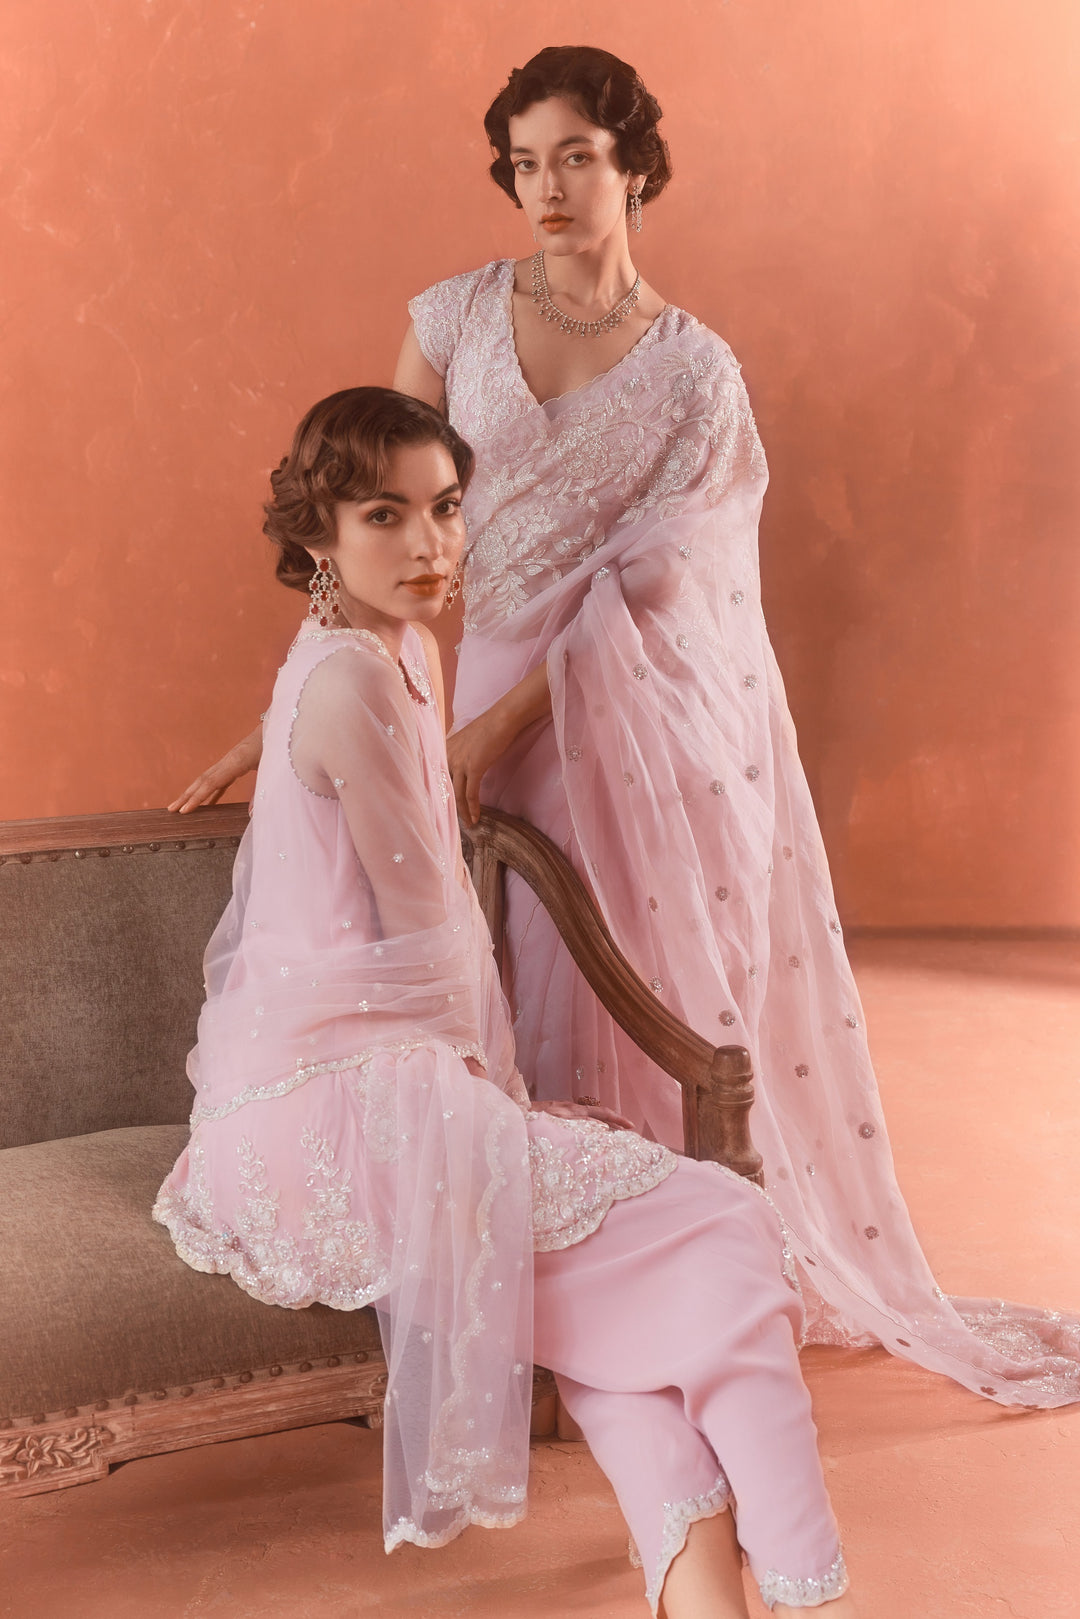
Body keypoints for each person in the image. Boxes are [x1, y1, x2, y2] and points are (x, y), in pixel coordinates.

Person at [170, 48, 1080, 1410]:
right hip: (462, 692)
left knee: (611, 983)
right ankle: (532, 1300)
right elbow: (371, 526)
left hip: (627, 725)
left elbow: (667, 586)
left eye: (577, 157)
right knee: (493, 973)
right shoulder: (455, 317)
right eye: (524, 163)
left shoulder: (695, 371)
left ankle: (649, 1292)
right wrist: (295, 714)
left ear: (636, 167)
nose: (546, 187)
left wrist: (495, 728)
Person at [155, 386, 860, 1617]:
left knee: (624, 1314)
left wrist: (493, 1102)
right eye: (385, 516)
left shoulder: (398, 650)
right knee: (728, 1225)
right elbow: (432, 947)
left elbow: (407, 903)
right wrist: (496, 1105)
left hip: (353, 1088)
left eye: (445, 509)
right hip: (327, 1121)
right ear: (318, 534)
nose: (430, 544)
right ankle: (812, 1590)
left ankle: (706, 1592)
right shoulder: (353, 683)